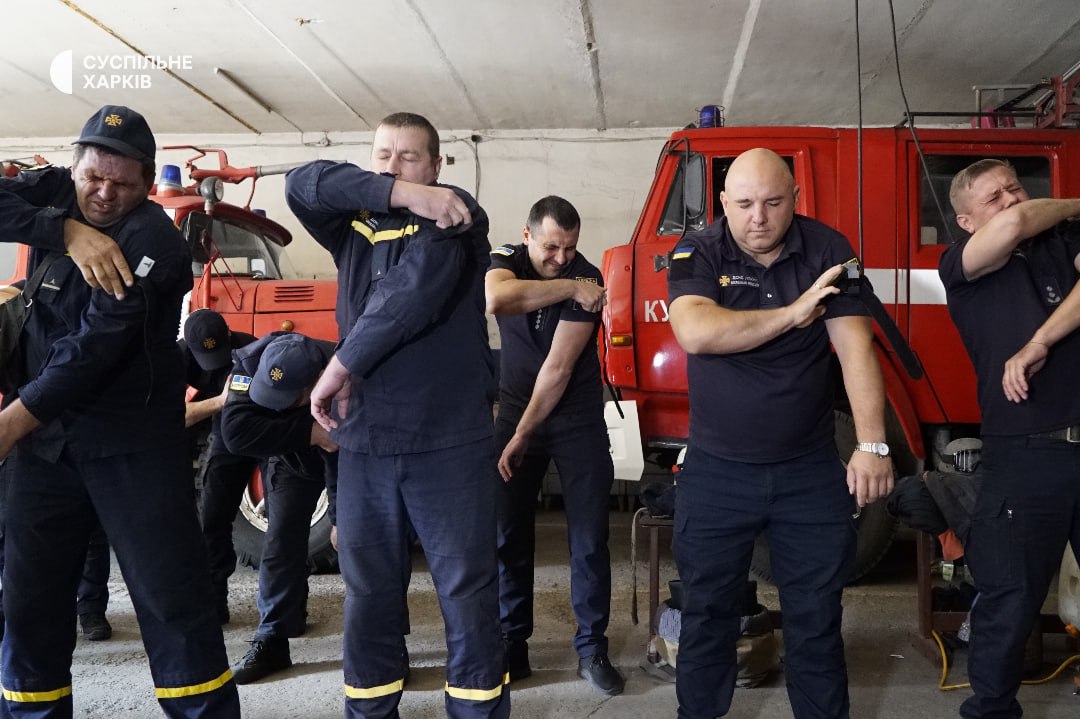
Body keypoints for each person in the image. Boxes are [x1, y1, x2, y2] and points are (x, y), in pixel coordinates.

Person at [0, 105, 239, 717]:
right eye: (93, 178)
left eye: (123, 184)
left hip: (131, 450)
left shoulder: (154, 241)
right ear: (73, 168)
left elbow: (93, 348)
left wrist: (11, 422)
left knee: (171, 602)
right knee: (28, 603)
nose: (105, 194)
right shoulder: (60, 195)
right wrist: (64, 230)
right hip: (46, 451)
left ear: (146, 182)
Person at [286, 111, 509, 719]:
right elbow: (303, 182)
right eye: (383, 155)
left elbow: (410, 294)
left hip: (449, 442)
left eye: (409, 157)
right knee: (369, 595)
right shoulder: (355, 223)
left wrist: (339, 366)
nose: (393, 165)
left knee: (466, 591)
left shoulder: (457, 212)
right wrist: (402, 192)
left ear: (436, 165)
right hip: (366, 444)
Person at [666, 148, 893, 719]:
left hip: (807, 471)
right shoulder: (697, 250)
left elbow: (855, 348)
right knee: (707, 616)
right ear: (723, 203)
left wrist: (871, 444)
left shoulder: (829, 250)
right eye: (744, 204)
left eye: (772, 202)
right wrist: (793, 313)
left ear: (796, 197)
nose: (758, 218)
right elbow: (696, 331)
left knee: (816, 618)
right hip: (717, 472)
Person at [938, 159, 1080, 719]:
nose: (1011, 200)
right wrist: (1075, 204)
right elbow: (1015, 225)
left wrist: (1040, 341)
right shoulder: (961, 265)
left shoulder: (1062, 241)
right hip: (1026, 450)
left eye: (1015, 187)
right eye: (993, 197)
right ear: (966, 221)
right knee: (1011, 596)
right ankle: (992, 710)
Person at [485, 195, 623, 694]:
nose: (562, 258)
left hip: (574, 418)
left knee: (588, 539)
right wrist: (568, 288)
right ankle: (512, 644)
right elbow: (497, 300)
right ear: (527, 236)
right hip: (513, 409)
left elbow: (558, 369)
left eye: (569, 248)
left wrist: (523, 433)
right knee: (507, 533)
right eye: (551, 247)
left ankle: (592, 648)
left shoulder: (590, 279)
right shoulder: (509, 260)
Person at [219, 331, 338, 684]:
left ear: (317, 381)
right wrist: (310, 432)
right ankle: (273, 638)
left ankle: (385, 642)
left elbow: (343, 448)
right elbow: (236, 432)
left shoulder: (344, 369)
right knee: (281, 544)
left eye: (287, 399)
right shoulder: (248, 364)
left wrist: (340, 517)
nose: (274, 406)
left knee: (362, 544)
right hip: (292, 459)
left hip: (348, 459)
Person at [180, 308, 258, 623]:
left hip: (263, 426)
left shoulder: (251, 349)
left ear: (228, 333)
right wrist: (221, 401)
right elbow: (169, 418)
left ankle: (285, 610)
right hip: (225, 431)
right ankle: (215, 604)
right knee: (212, 518)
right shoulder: (178, 357)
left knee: (282, 520)